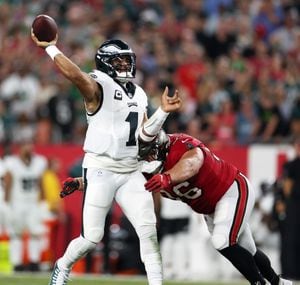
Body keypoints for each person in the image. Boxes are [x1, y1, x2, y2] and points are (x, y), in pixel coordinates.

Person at [31, 21, 181, 285]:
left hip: (131, 169)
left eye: (127, 61)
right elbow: (77, 76)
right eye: (119, 61)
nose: (125, 66)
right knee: (91, 238)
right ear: (105, 63)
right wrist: (51, 49)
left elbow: (145, 131)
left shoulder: (140, 92)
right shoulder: (98, 85)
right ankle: (62, 265)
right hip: (101, 167)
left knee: (148, 231)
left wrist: (162, 114)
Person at [137, 130, 293, 285]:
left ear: (160, 146)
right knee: (248, 250)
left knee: (222, 241)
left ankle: (259, 283)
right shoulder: (148, 170)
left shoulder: (179, 144)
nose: (148, 159)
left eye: (150, 153)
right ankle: (279, 282)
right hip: (211, 208)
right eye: (144, 156)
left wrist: (168, 177)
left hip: (230, 189)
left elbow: (193, 163)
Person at [4, 140, 48, 272]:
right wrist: (7, 202)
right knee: (16, 233)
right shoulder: (12, 162)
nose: (29, 149)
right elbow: (8, 182)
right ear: (20, 148)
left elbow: (41, 182)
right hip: (17, 202)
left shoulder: (39, 162)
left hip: (33, 202)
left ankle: (34, 261)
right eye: (26, 146)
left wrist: (43, 200)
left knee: (35, 232)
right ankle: (17, 263)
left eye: (30, 146)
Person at [279, 137, 300, 280]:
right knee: (291, 239)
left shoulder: (291, 165)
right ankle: (291, 272)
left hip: (294, 205)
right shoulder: (291, 165)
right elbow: (287, 188)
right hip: (295, 205)